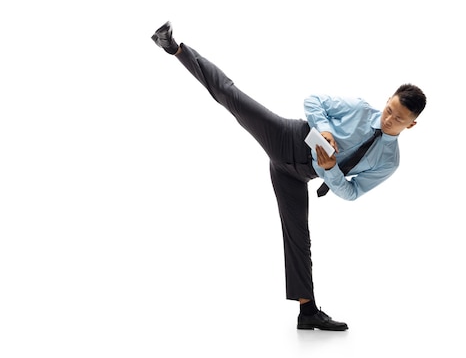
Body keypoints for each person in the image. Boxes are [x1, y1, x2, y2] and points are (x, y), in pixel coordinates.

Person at [151, 21, 426, 331]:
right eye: (389, 109)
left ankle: (307, 312)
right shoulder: (362, 109)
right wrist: (324, 129)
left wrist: (330, 169)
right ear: (388, 99)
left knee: (299, 239)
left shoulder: (390, 162)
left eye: (398, 119)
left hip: (296, 175)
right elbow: (314, 101)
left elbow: (352, 192)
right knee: (231, 96)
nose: (388, 118)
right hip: (288, 137)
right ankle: (174, 48)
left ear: (410, 126)